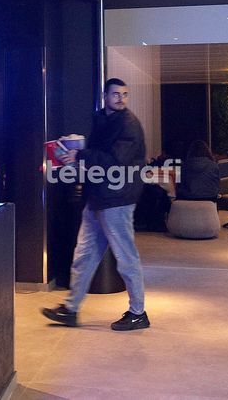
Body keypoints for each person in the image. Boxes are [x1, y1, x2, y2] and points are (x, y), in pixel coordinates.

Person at [42, 78, 150, 330]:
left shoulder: (128, 124)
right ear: (105, 96)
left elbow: (116, 161)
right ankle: (71, 309)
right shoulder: (102, 119)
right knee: (85, 254)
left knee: (125, 256)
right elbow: (101, 158)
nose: (121, 99)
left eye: (125, 94)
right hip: (99, 197)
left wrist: (81, 154)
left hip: (116, 199)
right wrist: (77, 154)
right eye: (116, 94)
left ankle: (138, 313)